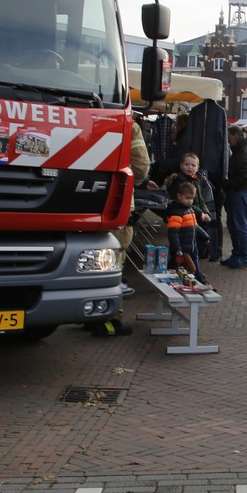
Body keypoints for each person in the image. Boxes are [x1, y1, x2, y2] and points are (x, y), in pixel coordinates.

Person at [89, 116, 150, 338]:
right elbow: (141, 167)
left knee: (89, 262)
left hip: (86, 202)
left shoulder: (85, 119)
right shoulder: (129, 126)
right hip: (117, 202)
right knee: (113, 263)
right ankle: (110, 320)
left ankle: (89, 313)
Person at [222, 125, 247, 268]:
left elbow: (246, 176)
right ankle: (237, 254)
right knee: (233, 224)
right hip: (236, 191)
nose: (227, 139)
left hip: (240, 191)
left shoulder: (244, 152)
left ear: (234, 136)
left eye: (229, 136)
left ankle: (244, 257)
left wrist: (228, 184)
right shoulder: (239, 151)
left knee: (240, 225)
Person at [163, 180, 209, 283]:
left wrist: (205, 237)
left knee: (185, 267)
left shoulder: (190, 210)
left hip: (192, 246)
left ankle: (198, 281)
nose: (190, 201)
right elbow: (173, 233)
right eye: (187, 198)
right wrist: (177, 248)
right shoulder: (177, 213)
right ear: (179, 196)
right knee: (191, 268)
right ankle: (198, 281)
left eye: (192, 199)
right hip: (182, 248)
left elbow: (195, 226)